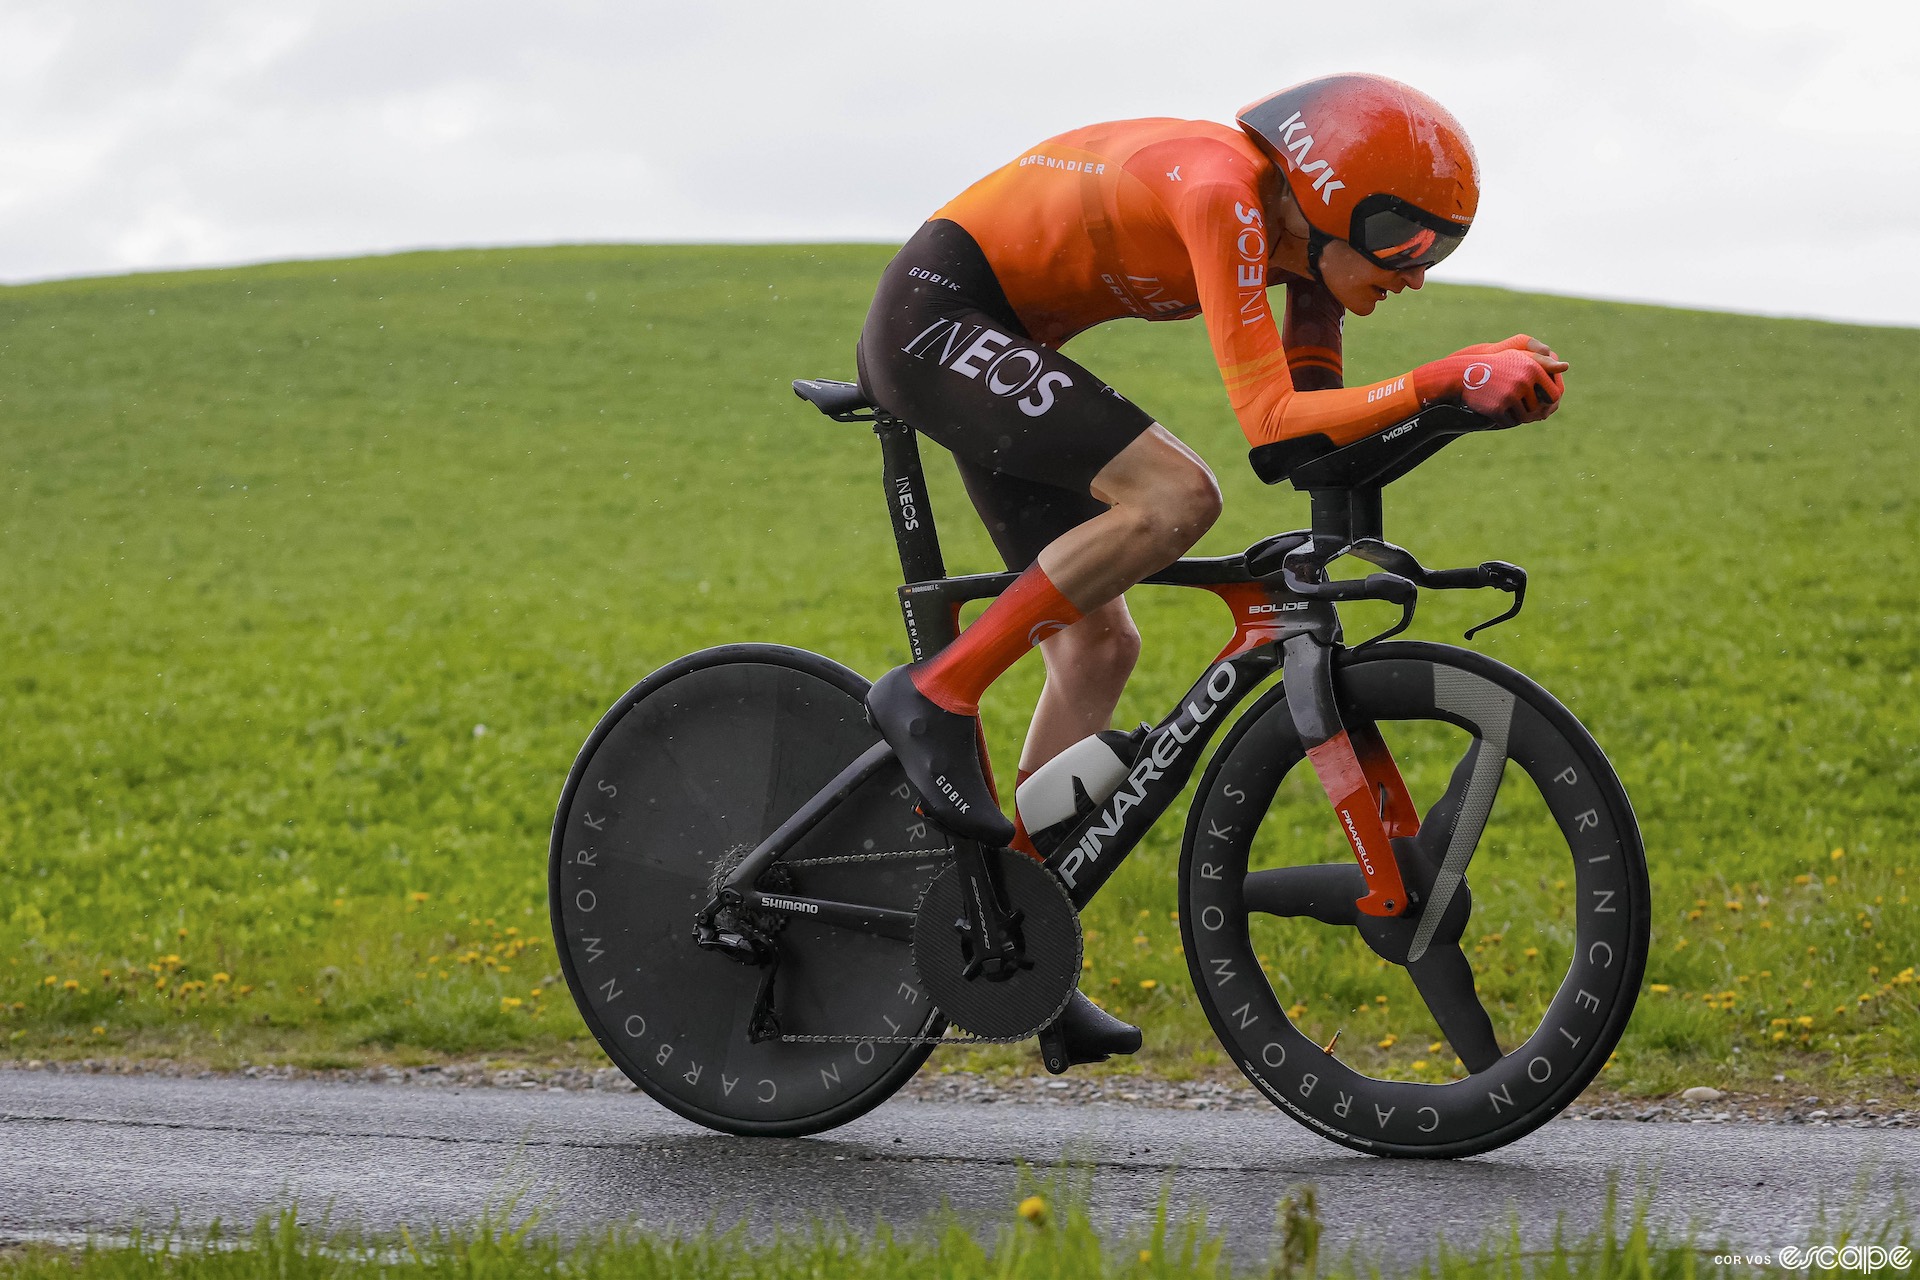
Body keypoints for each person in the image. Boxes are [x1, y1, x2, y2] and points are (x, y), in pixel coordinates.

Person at [856, 73, 1566, 1065]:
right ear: (1329, 196)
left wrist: (1456, 407)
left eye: (1439, 249)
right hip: (938, 317)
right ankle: (938, 689)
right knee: (1175, 498)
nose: (1417, 272)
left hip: (1006, 338)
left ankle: (1016, 936)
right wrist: (1444, 374)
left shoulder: (1305, 258)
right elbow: (1267, 422)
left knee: (1100, 645)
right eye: (1405, 241)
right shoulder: (1220, 192)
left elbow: (1304, 447)